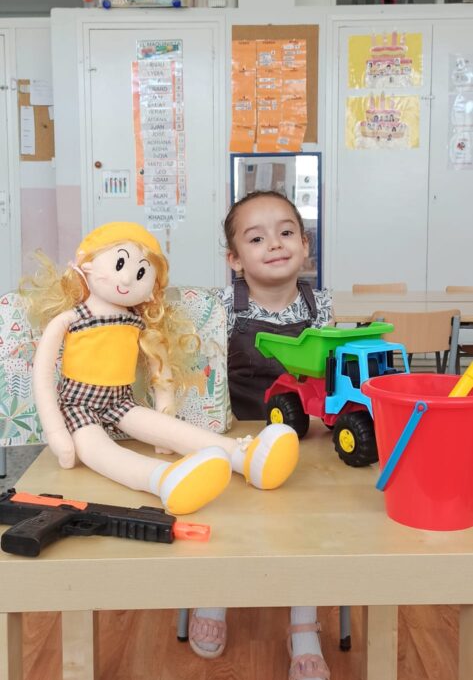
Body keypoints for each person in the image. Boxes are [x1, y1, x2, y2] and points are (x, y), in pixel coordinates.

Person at [22, 221, 299, 517]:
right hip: (77, 406)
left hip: (121, 401)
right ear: (85, 263)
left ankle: (245, 457)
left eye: (141, 273)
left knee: (173, 430)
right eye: (119, 263)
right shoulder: (70, 319)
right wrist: (56, 432)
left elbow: (160, 369)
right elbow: (42, 376)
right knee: (101, 452)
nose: (127, 278)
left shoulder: (137, 323)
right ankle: (165, 479)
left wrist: (164, 414)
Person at [188, 192, 333, 680]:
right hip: (234, 437)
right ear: (235, 259)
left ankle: (304, 624)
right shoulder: (220, 307)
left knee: (309, 524)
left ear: (305, 244)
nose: (274, 243)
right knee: (221, 508)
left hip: (303, 441)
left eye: (286, 232)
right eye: (256, 238)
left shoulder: (320, 304)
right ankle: (215, 594)